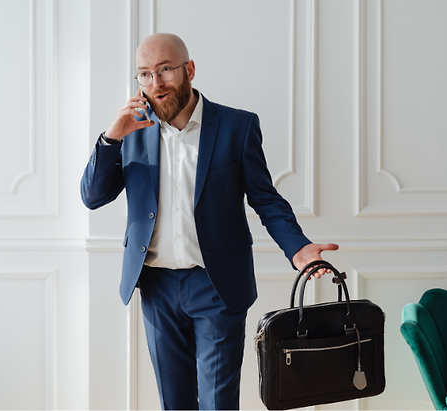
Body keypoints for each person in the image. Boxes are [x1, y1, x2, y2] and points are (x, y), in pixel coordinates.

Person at [81, 33, 338, 410]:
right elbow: (93, 196)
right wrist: (110, 138)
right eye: (145, 74)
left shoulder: (237, 126)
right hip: (156, 285)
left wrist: (297, 248)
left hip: (216, 284)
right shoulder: (130, 132)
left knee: (218, 402)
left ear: (189, 69)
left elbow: (265, 198)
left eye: (165, 70)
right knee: (175, 402)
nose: (156, 83)